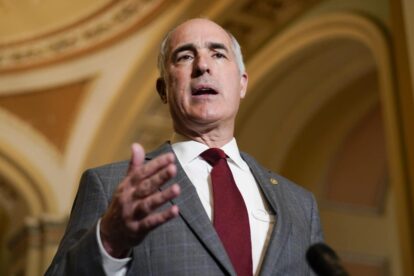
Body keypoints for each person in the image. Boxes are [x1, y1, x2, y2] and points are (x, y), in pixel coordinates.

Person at [46, 18, 323, 276]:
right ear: (163, 90)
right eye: (185, 56)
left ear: (242, 84)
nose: (203, 65)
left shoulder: (299, 204)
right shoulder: (112, 186)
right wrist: (108, 241)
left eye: (218, 54)